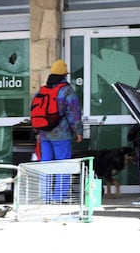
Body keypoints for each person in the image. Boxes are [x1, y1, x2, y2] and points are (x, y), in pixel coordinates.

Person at [36, 59, 83, 202]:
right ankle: (59, 196)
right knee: (63, 164)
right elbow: (73, 113)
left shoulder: (43, 89)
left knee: (46, 164)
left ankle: (44, 197)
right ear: (64, 74)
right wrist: (78, 131)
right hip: (61, 134)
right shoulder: (66, 90)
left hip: (44, 134)